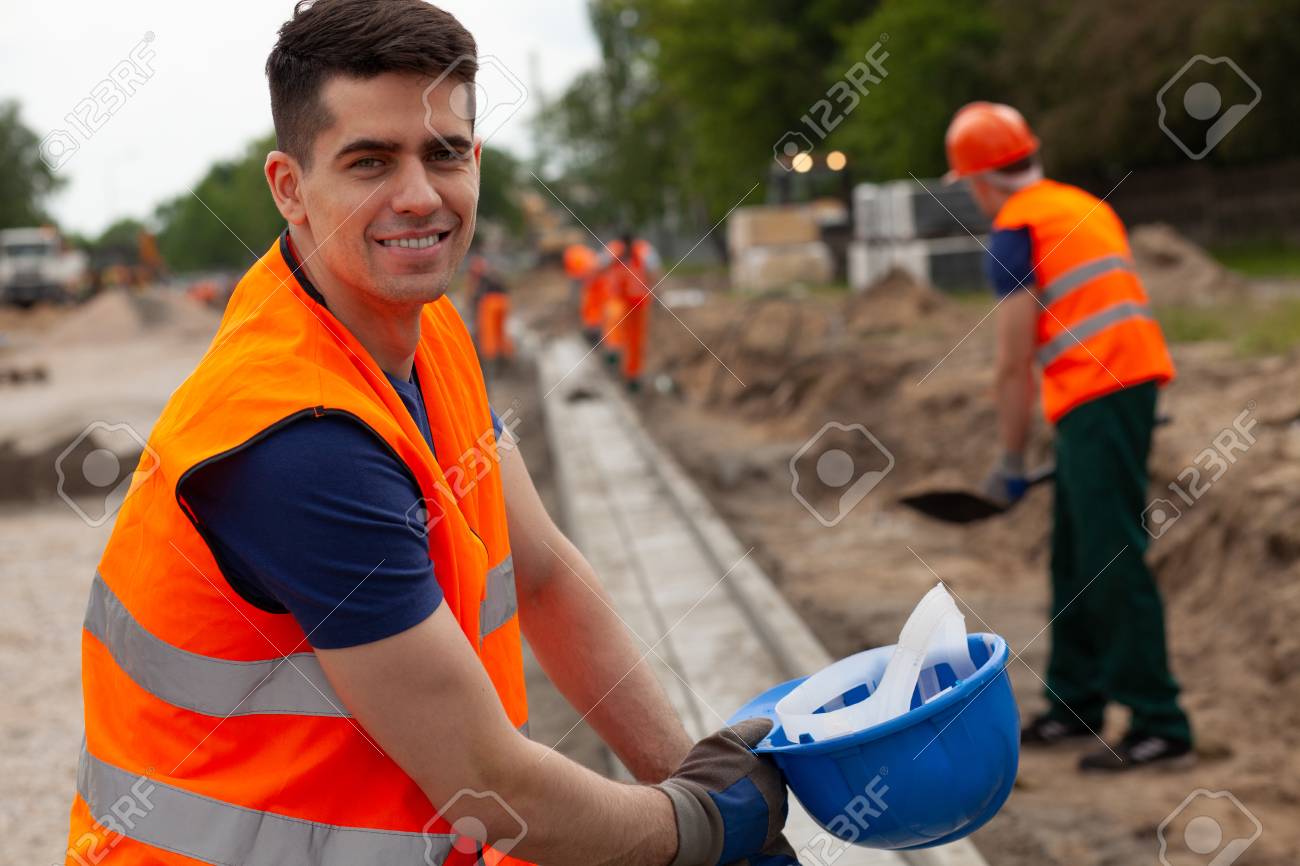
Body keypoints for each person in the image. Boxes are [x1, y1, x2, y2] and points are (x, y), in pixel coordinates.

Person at [65, 3, 797, 864]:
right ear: (290, 188)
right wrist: (703, 829)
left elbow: (547, 575)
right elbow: (492, 784)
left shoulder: (426, 331)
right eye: (369, 161)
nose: (418, 195)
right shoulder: (297, 445)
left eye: (443, 153)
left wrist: (686, 773)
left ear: (475, 161)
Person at [945, 101, 1194, 771]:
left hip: (1100, 394)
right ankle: (1075, 703)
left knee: (1110, 556)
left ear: (978, 181)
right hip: (1118, 388)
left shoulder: (1017, 229)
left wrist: (1009, 457)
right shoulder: (1081, 205)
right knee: (1073, 555)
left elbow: (1010, 361)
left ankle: (1160, 722)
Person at [598, 231, 661, 392]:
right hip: (618, 299)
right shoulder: (613, 250)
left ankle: (633, 375)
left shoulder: (645, 251)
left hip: (638, 304)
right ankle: (613, 351)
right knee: (614, 318)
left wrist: (656, 294)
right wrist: (614, 258)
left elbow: (654, 272)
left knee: (635, 341)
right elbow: (599, 267)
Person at [467, 252, 513, 376]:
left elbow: (475, 298)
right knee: (501, 334)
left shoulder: (480, 279)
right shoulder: (493, 275)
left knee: (488, 338)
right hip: (503, 302)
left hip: (489, 305)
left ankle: (490, 369)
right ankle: (505, 361)